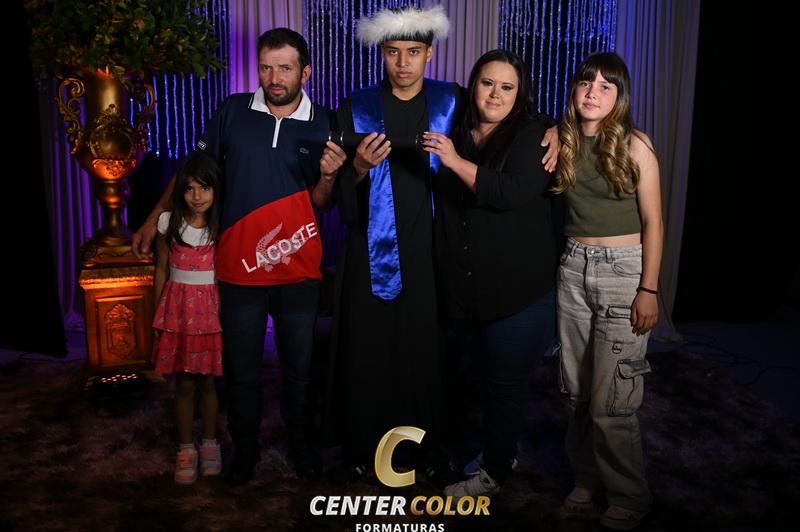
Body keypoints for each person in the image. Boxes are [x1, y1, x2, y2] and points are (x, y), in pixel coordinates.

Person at [133, 28, 346, 485]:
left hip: (297, 268)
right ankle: (245, 449)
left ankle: (301, 446)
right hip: (237, 269)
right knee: (241, 369)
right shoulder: (233, 110)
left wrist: (329, 178)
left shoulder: (324, 122)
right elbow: (195, 170)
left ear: (306, 72)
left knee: (299, 370)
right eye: (266, 67)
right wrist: (154, 218)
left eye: (285, 68)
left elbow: (324, 203)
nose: (274, 78)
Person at [420, 49, 557, 497]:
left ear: (520, 94)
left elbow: (510, 192)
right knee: (483, 379)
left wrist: (454, 161)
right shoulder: (460, 127)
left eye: (507, 86)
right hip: (475, 290)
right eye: (487, 83)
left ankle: (495, 472)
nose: (495, 94)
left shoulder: (533, 134)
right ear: (473, 85)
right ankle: (502, 450)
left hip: (520, 293)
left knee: (505, 385)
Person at [551, 52, 662, 530]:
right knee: (575, 391)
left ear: (619, 97)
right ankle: (586, 479)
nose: (593, 91)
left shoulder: (636, 144)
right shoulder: (562, 140)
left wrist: (649, 289)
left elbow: (654, 221)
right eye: (585, 82)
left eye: (605, 85)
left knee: (612, 398)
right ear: (574, 90)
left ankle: (629, 495)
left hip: (624, 272)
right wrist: (552, 131)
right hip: (573, 268)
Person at [151, 151, 223, 485]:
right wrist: (157, 316)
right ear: (180, 190)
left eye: (204, 188)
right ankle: (185, 448)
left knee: (208, 383)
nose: (197, 196)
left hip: (210, 316)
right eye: (190, 188)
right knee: (184, 383)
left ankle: (209, 444)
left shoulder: (222, 226)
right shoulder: (169, 223)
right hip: (179, 314)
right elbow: (161, 270)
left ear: (216, 189)